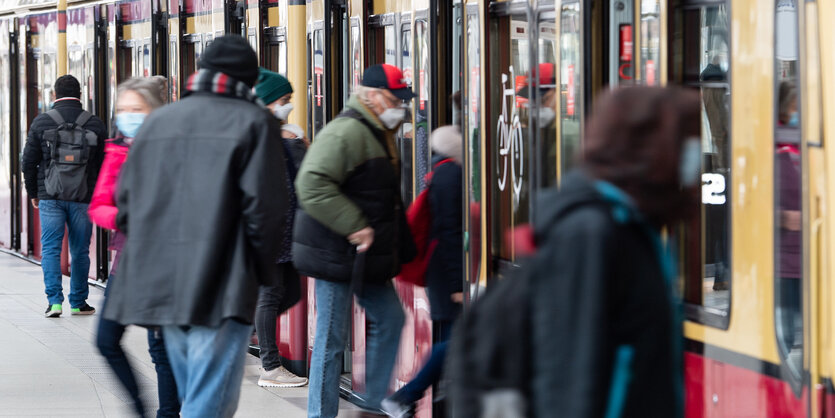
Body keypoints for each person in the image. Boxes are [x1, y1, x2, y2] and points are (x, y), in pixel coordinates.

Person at [101, 36, 292, 417]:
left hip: (165, 284)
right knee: (210, 393)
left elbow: (126, 201)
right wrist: (257, 272)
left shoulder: (161, 121)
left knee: (201, 389)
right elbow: (268, 211)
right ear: (246, 80)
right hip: (223, 284)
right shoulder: (256, 123)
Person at [529, 87, 700, 417]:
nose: (693, 157)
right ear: (648, 148)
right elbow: (573, 378)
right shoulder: (591, 231)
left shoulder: (633, 225)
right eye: (684, 144)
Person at [293, 63, 417, 418]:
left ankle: (372, 404)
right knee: (331, 341)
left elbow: (384, 196)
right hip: (334, 254)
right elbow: (311, 184)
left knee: (390, 318)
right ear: (373, 96)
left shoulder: (377, 131)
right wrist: (355, 225)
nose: (400, 107)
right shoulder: (346, 132)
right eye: (396, 99)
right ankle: (320, 413)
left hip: (364, 256)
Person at [88, 76, 180, 418]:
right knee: (106, 340)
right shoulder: (116, 150)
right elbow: (98, 205)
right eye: (122, 110)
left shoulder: (176, 148)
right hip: (127, 260)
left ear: (155, 111)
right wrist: (123, 216)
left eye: (136, 110)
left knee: (162, 347)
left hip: (166, 262)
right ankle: (141, 407)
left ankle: (168, 413)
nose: (128, 116)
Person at [382, 126, 464, 417]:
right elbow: (451, 232)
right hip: (447, 273)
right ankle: (407, 395)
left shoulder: (439, 172)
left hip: (439, 270)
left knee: (451, 340)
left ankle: (418, 398)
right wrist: (459, 282)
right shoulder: (452, 176)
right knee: (459, 340)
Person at [22, 74, 107, 318]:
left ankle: (55, 303)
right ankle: (79, 303)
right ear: (80, 95)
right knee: (80, 250)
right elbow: (103, 164)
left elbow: (28, 162)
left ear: (54, 95)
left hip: (50, 195)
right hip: (83, 198)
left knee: (50, 248)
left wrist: (33, 192)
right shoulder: (94, 123)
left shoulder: (41, 122)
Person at [251, 68, 308, 388]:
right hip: (270, 231)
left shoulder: (280, 133)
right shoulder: (261, 135)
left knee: (291, 292)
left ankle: (233, 331)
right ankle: (270, 366)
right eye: (283, 100)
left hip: (285, 231)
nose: (288, 106)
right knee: (271, 294)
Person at [775, 81, 801, 351]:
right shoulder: (771, 150)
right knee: (786, 334)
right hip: (782, 260)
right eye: (794, 107)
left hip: (807, 258)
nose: (798, 112)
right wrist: (781, 218)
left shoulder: (805, 148)